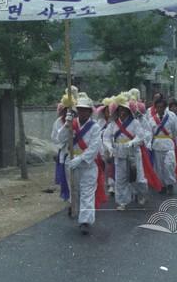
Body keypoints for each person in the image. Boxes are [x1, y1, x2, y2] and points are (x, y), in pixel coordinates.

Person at [56, 92, 105, 234]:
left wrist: (81, 158)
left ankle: (85, 221)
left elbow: (94, 147)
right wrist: (66, 125)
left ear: (90, 111)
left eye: (85, 110)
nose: (82, 112)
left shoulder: (95, 127)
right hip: (71, 163)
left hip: (88, 164)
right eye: (80, 109)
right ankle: (76, 211)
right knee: (75, 191)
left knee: (87, 192)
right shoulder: (71, 123)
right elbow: (60, 139)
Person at [105, 94, 155, 210]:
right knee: (120, 179)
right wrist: (109, 147)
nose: (122, 112)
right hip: (119, 154)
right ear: (117, 111)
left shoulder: (135, 123)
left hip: (133, 154)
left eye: (125, 110)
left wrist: (132, 142)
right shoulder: (113, 124)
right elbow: (106, 138)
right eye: (120, 110)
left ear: (129, 111)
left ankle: (142, 195)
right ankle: (122, 201)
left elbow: (140, 136)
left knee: (138, 178)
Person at [147, 96, 177, 195]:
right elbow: (149, 134)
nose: (159, 109)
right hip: (157, 145)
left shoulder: (171, 117)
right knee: (159, 167)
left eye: (161, 107)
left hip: (169, 144)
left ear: (165, 107)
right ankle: (162, 185)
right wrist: (148, 144)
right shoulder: (152, 120)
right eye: (157, 107)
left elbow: (176, 133)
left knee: (169, 165)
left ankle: (170, 184)